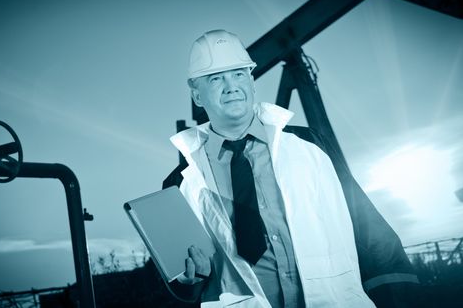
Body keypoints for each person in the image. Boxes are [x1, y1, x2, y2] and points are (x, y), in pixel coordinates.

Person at [162, 29, 419, 307]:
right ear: (197, 96)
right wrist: (188, 281)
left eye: (239, 74)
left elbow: (366, 226)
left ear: (251, 82)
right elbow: (185, 282)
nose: (231, 86)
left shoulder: (310, 146)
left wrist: (399, 298)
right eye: (216, 79)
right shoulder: (179, 183)